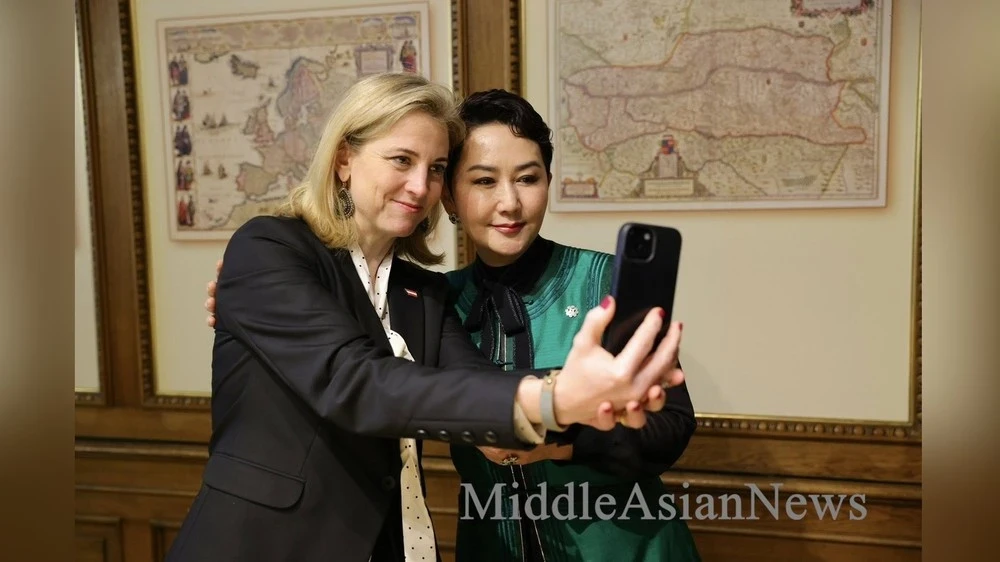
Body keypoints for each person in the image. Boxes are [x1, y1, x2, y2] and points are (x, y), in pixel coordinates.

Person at [178, 72, 686, 562]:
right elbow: (356, 381)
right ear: (344, 159)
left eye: (436, 167)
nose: (419, 186)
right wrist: (556, 396)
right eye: (402, 160)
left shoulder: (422, 291)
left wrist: (588, 399)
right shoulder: (270, 247)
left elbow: (480, 388)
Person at [437, 90, 701, 561]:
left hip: (626, 548)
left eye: (528, 178)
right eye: (484, 181)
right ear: (448, 196)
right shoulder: (437, 303)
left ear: (548, 181)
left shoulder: (605, 281)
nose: (510, 202)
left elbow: (670, 428)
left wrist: (557, 444)